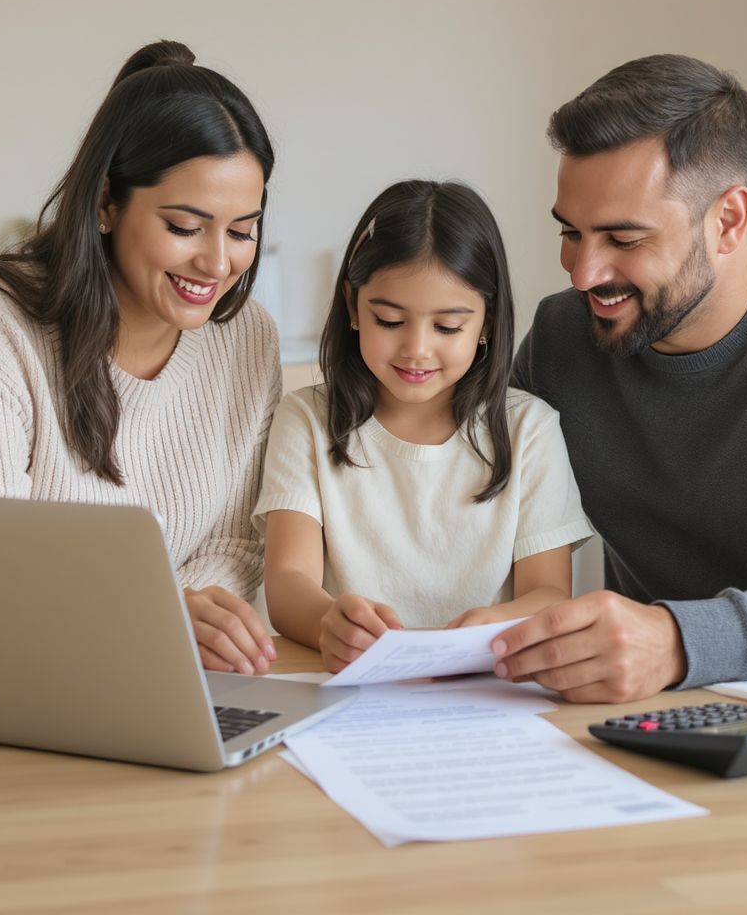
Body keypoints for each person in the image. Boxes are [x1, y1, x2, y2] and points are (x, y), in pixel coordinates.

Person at [492, 53, 747, 702]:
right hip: (636, 718)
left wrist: (681, 640)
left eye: (623, 240)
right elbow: (481, 518)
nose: (582, 273)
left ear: (728, 220)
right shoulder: (563, 340)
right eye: (571, 232)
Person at [0, 40, 280, 677]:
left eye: (242, 230)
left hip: (161, 680)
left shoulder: (245, 337)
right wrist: (155, 614)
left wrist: (184, 622)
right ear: (106, 202)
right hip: (7, 679)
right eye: (186, 227)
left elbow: (233, 543)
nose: (218, 263)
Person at [253, 180, 591, 671]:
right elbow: (286, 581)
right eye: (389, 320)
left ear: (487, 323)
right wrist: (329, 622)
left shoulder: (529, 430)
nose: (416, 348)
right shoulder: (307, 420)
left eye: (448, 327)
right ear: (353, 306)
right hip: (344, 692)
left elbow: (550, 594)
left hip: (482, 693)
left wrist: (496, 624)